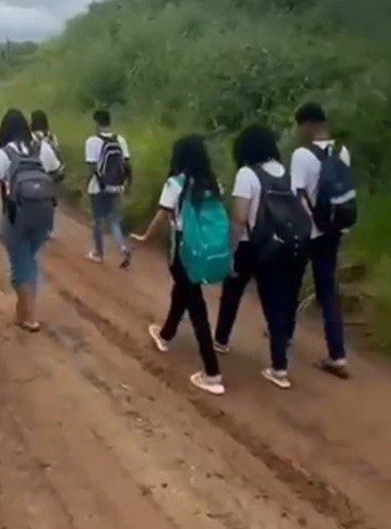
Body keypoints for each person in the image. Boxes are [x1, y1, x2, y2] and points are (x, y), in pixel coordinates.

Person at [214, 124, 312, 389]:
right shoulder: (286, 173)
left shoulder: (247, 174)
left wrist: (230, 251)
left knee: (232, 291)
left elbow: (239, 218)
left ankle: (221, 340)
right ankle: (279, 368)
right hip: (279, 246)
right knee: (276, 306)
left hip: (250, 245)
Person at [132, 136, 228, 395]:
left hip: (182, 252)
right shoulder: (213, 184)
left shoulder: (175, 184)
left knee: (195, 306)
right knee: (183, 293)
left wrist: (145, 237)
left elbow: (162, 215)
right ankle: (165, 335)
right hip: (205, 251)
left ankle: (212, 373)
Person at [0, 109, 62, 332]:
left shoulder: (5, 153)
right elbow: (57, 172)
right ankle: (22, 312)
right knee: (28, 260)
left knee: (21, 264)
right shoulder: (42, 147)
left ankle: (29, 317)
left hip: (17, 216)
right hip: (45, 213)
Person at [290, 103, 355, 379]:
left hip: (310, 230)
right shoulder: (342, 151)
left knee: (291, 278)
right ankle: (337, 355)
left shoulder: (301, 155)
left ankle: (282, 332)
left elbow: (298, 195)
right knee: (328, 290)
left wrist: (310, 225)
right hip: (335, 230)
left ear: (306, 125)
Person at [84, 109, 132, 268]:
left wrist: (101, 183)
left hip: (98, 187)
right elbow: (127, 165)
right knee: (114, 220)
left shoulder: (92, 141)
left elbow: (91, 166)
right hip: (116, 186)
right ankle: (123, 248)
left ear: (96, 122)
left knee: (97, 220)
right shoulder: (120, 140)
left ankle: (98, 253)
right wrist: (127, 184)